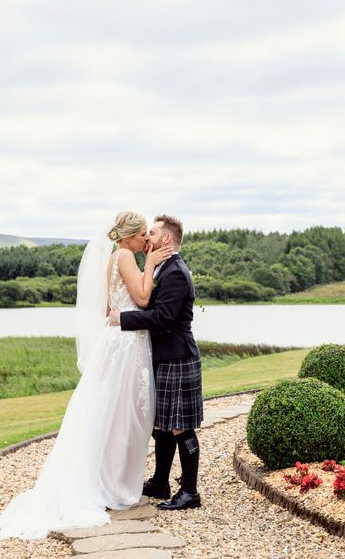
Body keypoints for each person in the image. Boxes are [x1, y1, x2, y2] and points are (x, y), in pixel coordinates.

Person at [0, 211, 172, 539]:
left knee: (109, 413)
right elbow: (144, 298)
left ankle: (107, 480)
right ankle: (113, 486)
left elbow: (106, 309)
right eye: (143, 233)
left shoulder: (114, 257)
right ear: (128, 236)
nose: (147, 238)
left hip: (117, 340)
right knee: (123, 416)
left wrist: (126, 305)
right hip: (127, 345)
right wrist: (149, 265)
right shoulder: (127, 257)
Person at [108, 214, 203, 511]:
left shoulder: (176, 272)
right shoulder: (163, 266)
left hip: (178, 357)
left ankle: (190, 491)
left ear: (166, 239)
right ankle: (161, 482)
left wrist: (122, 319)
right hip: (162, 356)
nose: (147, 236)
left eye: (152, 232)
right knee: (161, 425)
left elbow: (162, 318)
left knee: (180, 427)